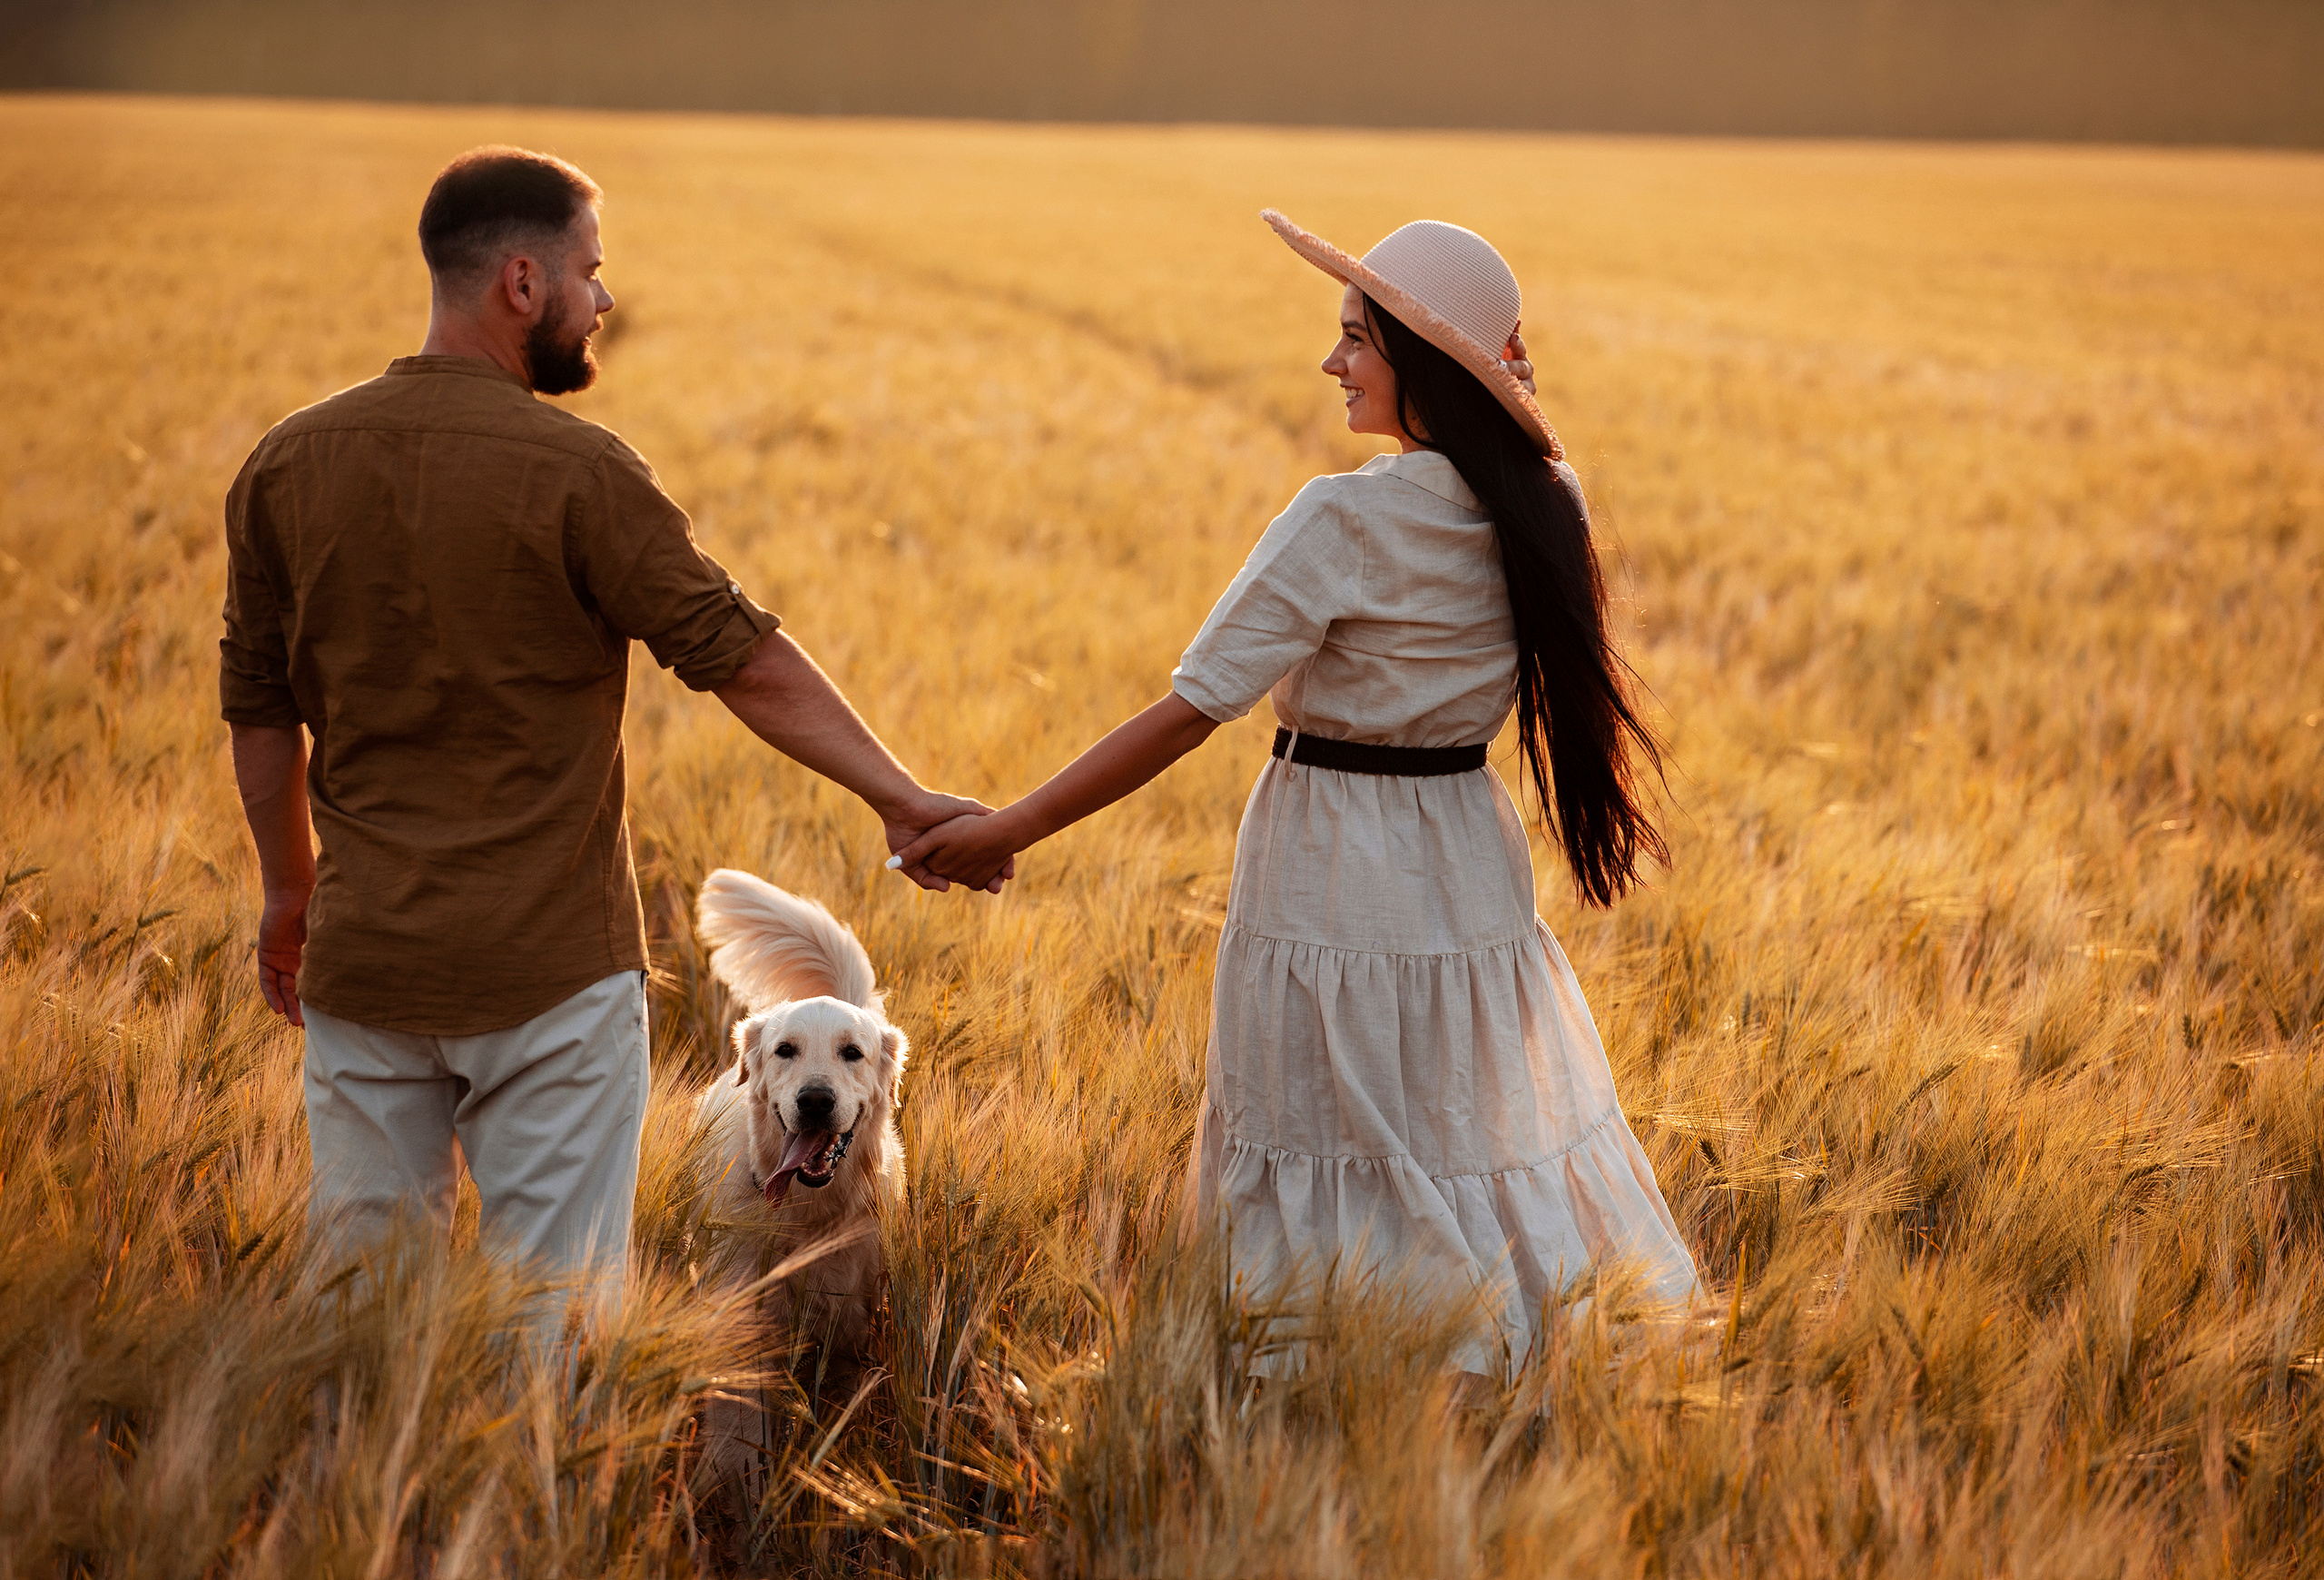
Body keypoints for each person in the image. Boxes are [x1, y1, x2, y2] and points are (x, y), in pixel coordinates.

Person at [895, 211, 1699, 1368]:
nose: (1333, 363)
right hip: (1464, 856)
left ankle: (1324, 1365)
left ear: (1419, 363)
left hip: (1330, 857)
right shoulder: (1538, 510)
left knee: (1325, 1126)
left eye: (1354, 340)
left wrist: (1009, 826)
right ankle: (1508, 1352)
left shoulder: (1345, 517)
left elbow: (1188, 712)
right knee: (1452, 1127)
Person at [220, 146, 1000, 1320]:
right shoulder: (581, 470)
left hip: (365, 954)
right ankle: (537, 1508)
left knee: (362, 1301)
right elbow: (740, 655)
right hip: (552, 975)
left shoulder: (287, 461)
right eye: (593, 272)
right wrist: (901, 799)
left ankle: (380, 1501)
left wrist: (290, 895)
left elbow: (258, 709)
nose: (606, 300)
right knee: (559, 1306)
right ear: (522, 284)